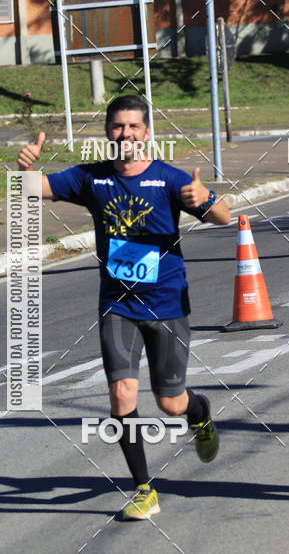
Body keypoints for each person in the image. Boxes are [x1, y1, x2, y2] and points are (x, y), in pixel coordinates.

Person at [17, 94, 231, 519]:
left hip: (167, 304)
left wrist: (205, 198)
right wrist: (25, 169)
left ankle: (200, 414)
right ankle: (143, 489)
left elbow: (225, 217)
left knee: (170, 402)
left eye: (133, 126)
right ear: (107, 132)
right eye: (118, 126)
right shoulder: (91, 179)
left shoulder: (169, 178)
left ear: (147, 132)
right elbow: (34, 189)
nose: (125, 133)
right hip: (118, 305)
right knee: (121, 395)